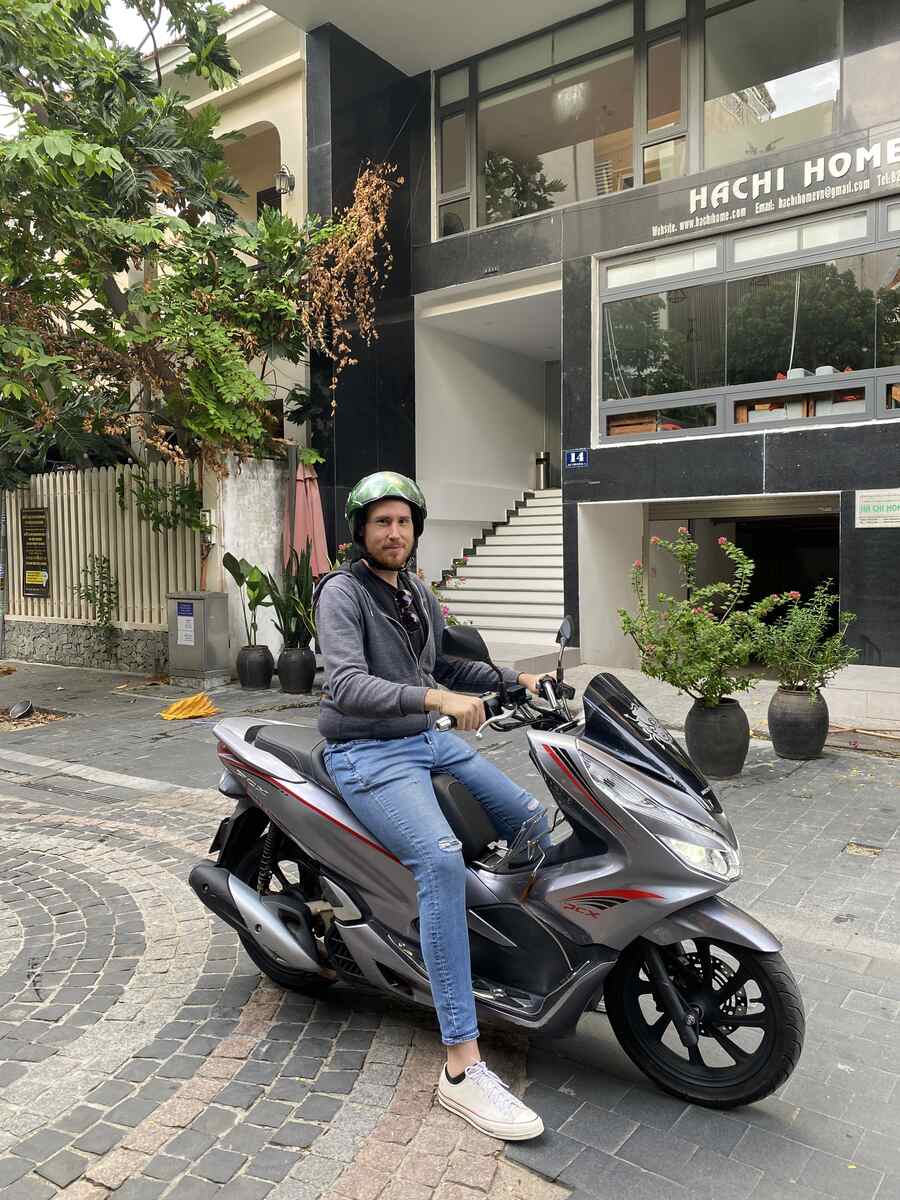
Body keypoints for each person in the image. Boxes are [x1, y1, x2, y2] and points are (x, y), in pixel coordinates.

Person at [313, 471, 548, 1140]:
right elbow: (347, 684)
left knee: (531, 818)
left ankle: (504, 950)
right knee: (441, 861)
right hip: (366, 750)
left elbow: (446, 668)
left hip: (423, 740)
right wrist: (434, 702)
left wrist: (516, 679)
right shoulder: (343, 592)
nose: (394, 533)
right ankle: (461, 1068)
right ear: (361, 531)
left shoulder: (415, 591)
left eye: (404, 523)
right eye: (382, 522)